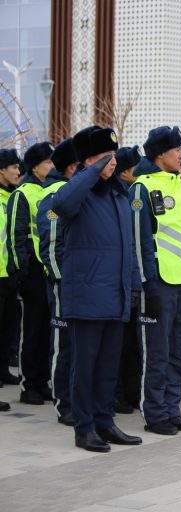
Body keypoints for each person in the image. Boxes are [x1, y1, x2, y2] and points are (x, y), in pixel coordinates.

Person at [52, 124, 143, 452]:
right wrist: (88, 172)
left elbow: (128, 247)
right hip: (87, 295)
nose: (112, 163)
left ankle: (105, 423)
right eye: (105, 157)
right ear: (87, 161)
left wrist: (133, 286)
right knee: (85, 366)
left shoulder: (118, 194)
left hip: (116, 295)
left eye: (114, 157)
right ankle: (84, 427)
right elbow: (62, 203)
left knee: (108, 366)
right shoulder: (78, 191)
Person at [131, 125, 181, 435]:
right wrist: (148, 284)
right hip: (159, 285)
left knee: (178, 352)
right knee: (157, 354)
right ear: (160, 155)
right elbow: (140, 241)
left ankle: (172, 410)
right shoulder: (142, 188)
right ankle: (156, 414)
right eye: (177, 151)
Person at [7, 142, 55, 404]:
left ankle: (42, 380)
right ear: (35, 166)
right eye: (47, 162)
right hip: (32, 269)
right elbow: (16, 235)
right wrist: (20, 271)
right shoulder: (22, 193)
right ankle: (29, 385)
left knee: (47, 329)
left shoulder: (49, 191)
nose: (51, 166)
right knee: (32, 330)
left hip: (46, 267)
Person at [37, 138, 79, 426]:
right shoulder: (54, 194)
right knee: (63, 345)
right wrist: (60, 281)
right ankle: (63, 402)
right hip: (64, 283)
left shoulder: (76, 190)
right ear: (71, 167)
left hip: (83, 282)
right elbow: (52, 246)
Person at [113, 146, 143, 413]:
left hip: (132, 279)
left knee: (133, 343)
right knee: (120, 344)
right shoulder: (124, 193)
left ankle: (130, 391)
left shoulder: (127, 193)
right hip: (118, 281)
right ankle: (117, 393)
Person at [0, 148, 22, 392]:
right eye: (14, 167)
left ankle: (3, 369)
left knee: (9, 327)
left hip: (9, 273)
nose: (18, 171)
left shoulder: (11, 198)